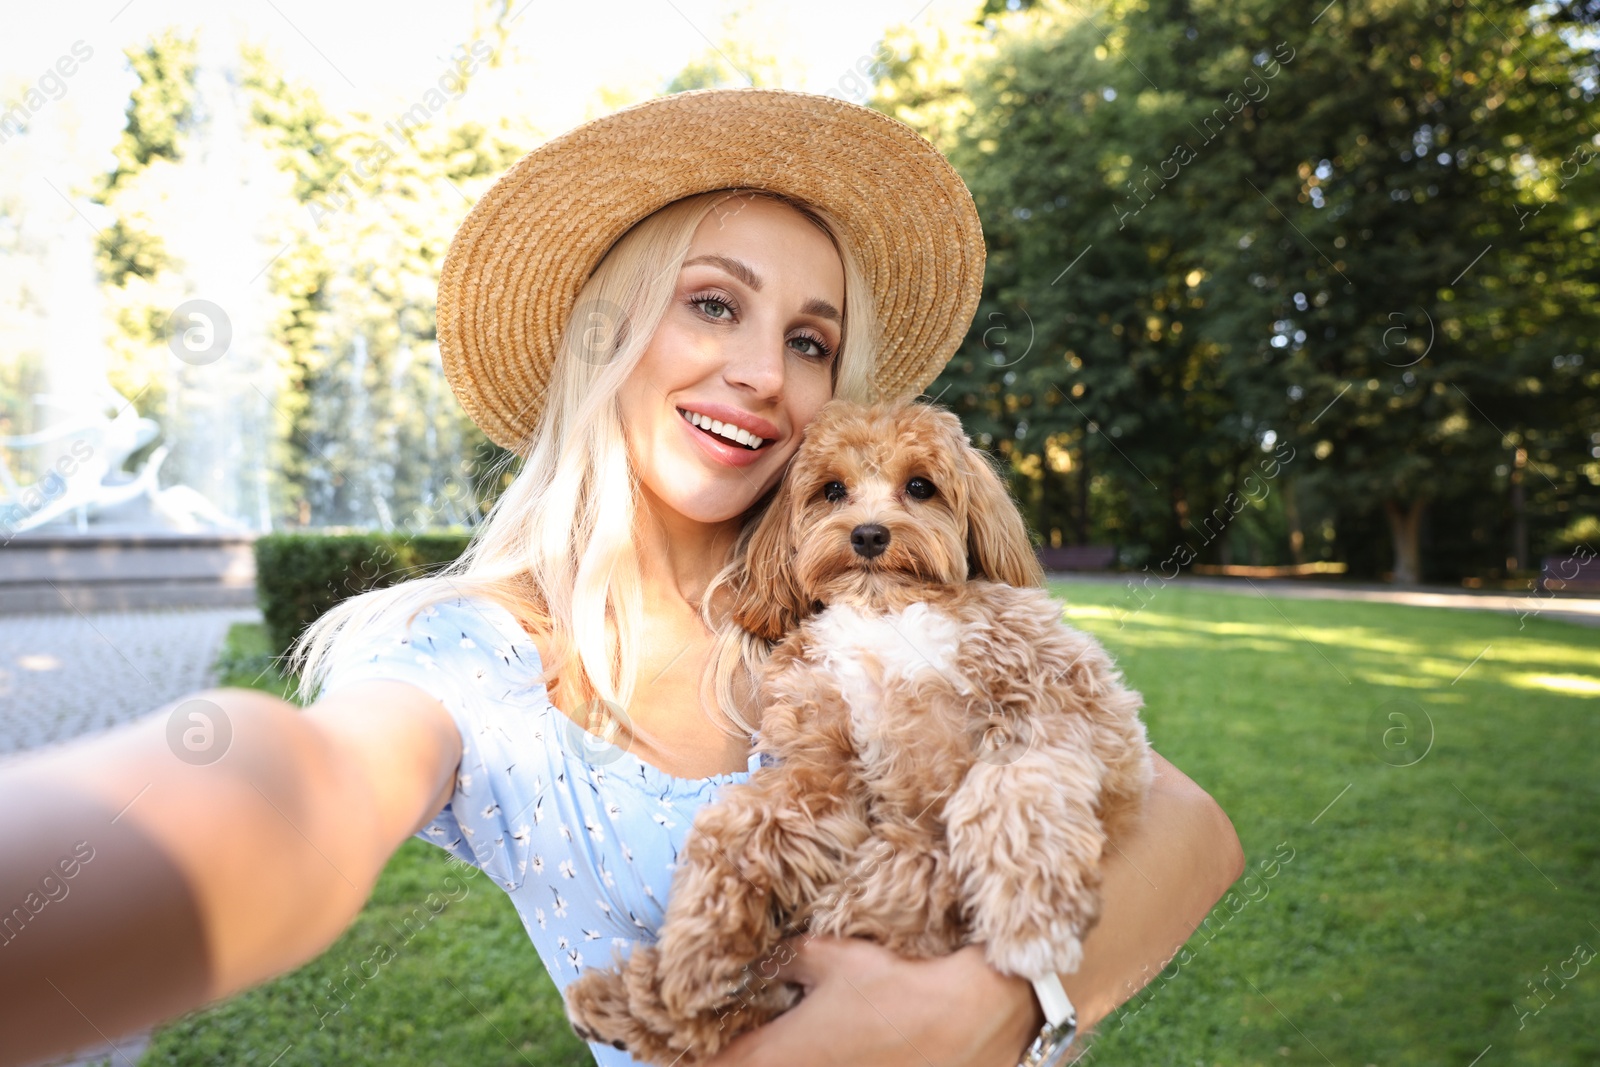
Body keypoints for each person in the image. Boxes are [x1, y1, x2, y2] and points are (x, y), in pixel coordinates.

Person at [0, 89, 1243, 1067]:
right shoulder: (480, 657)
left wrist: (1000, 998)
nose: (764, 371)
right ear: (603, 332)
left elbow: (1187, 826)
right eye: (713, 305)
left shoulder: (865, 601)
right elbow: (292, 796)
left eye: (808, 340)